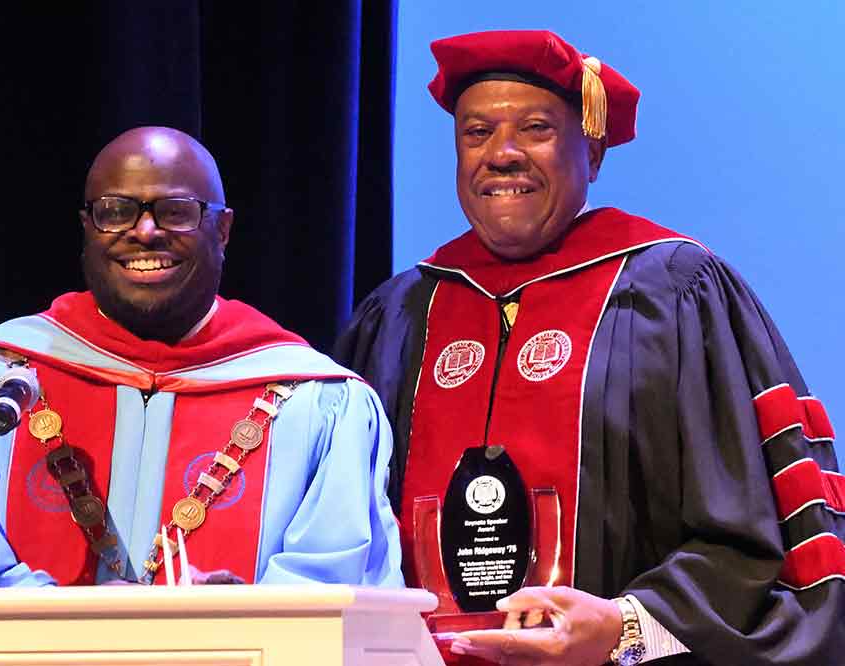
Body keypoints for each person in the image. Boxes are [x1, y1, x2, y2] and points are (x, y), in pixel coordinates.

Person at [334, 30, 844, 665]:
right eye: (476, 132)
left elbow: (751, 538)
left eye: (537, 129)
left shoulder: (675, 291)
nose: (503, 154)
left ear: (593, 151)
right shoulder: (402, 311)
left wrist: (624, 628)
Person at [0, 127, 402, 590]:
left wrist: (241, 620)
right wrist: (85, 631)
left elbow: (339, 594)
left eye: (177, 211)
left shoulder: (318, 400)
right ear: (87, 228)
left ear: (223, 230)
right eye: (115, 211)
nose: (144, 232)